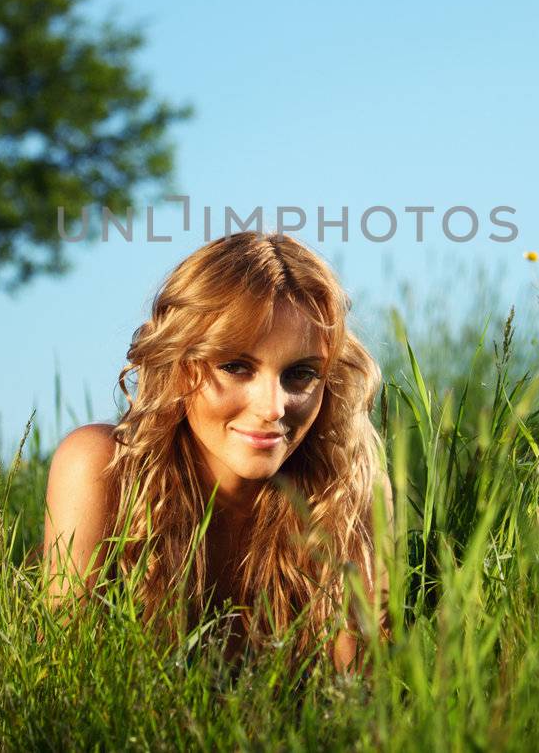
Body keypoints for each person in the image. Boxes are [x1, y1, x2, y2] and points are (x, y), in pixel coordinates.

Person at [40, 230, 393, 672]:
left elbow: (359, 698)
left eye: (300, 374)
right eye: (235, 367)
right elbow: (59, 681)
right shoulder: (100, 468)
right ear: (180, 365)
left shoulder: (345, 486)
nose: (272, 407)